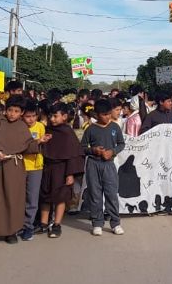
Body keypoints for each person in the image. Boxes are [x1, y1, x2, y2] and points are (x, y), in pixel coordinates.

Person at [0, 95, 48, 244]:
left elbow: (27, 146)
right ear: (5, 110)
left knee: (13, 199)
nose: (12, 114)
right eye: (10, 110)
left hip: (14, 167)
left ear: (21, 112)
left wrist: (39, 142)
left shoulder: (22, 127)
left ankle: (10, 231)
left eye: (16, 111)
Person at [39, 103, 84, 239]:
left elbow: (72, 154)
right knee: (45, 196)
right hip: (47, 167)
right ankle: (43, 223)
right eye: (51, 116)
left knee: (60, 197)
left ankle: (57, 224)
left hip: (63, 169)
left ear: (64, 117)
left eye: (55, 116)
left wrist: (70, 174)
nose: (52, 119)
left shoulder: (67, 132)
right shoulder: (47, 130)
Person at [81, 99, 125, 236]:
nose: (107, 117)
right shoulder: (90, 129)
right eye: (104, 115)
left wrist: (112, 151)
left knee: (111, 194)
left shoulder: (115, 127)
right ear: (97, 115)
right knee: (95, 194)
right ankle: (97, 223)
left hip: (109, 165)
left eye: (108, 114)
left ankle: (115, 223)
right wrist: (94, 150)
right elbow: (82, 148)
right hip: (93, 164)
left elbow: (121, 144)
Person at [20, 101, 45, 241]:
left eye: (33, 116)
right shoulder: (19, 127)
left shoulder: (41, 126)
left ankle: (28, 226)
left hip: (36, 167)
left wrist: (42, 141)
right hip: (20, 166)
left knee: (32, 198)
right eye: (28, 116)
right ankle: (17, 225)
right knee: (19, 198)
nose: (31, 119)